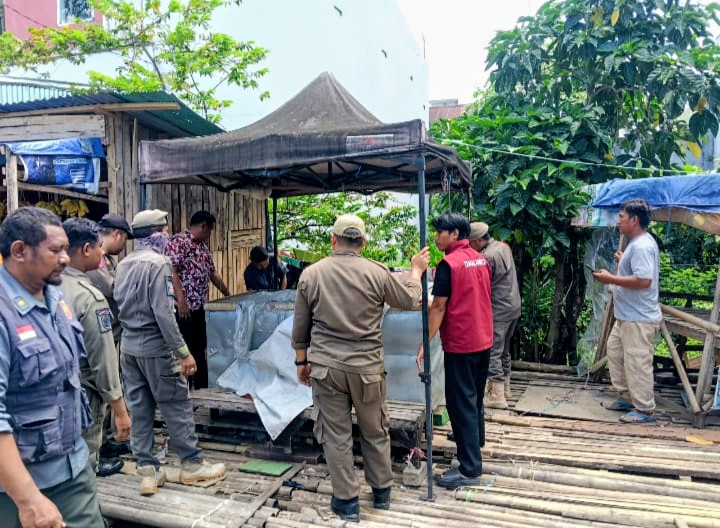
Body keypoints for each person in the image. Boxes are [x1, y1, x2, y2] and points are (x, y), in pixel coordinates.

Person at [292, 214, 429, 522]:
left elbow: (300, 325)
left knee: (335, 434)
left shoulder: (312, 274)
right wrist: (416, 271)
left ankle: (347, 502)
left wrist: (301, 361)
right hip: (367, 369)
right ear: (363, 243)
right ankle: (381, 493)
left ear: (333, 240)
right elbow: (409, 299)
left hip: (326, 368)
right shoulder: (376, 272)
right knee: (375, 429)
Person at [0, 207, 105, 527]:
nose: (65, 258)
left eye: (65, 249)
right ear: (19, 251)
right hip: (17, 489)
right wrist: (28, 500)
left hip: (73, 469)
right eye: (55, 250)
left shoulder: (57, 298)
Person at [115, 209, 226, 496]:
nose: (168, 236)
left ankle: (147, 469)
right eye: (165, 231)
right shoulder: (159, 264)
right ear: (156, 234)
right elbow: (164, 313)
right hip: (156, 347)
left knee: (139, 408)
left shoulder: (123, 264)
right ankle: (192, 464)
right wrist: (182, 351)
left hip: (129, 348)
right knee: (176, 403)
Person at [416, 212, 493, 490]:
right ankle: (475, 444)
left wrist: (425, 343)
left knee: (460, 405)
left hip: (461, 343)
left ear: (456, 234)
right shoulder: (480, 259)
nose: (436, 237)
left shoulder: (448, 264)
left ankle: (470, 469)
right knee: (474, 399)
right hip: (483, 338)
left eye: (441, 232)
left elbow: (439, 307)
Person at [61, 218, 132, 478]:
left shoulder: (45, 286)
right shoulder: (89, 298)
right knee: (84, 462)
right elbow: (103, 361)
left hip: (52, 394)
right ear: (86, 249)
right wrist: (120, 411)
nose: (102, 252)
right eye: (99, 246)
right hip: (84, 393)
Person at [592, 199, 661, 424]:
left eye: (621, 217)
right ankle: (627, 397)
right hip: (626, 316)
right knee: (615, 354)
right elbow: (639, 271)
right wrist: (624, 261)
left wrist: (611, 278)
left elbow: (644, 280)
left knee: (637, 362)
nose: (618, 221)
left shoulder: (642, 246)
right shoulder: (636, 244)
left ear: (634, 220)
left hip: (638, 318)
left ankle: (644, 408)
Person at [166, 211, 230, 390]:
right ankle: (184, 390)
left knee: (200, 348)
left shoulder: (202, 247)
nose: (210, 234)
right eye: (210, 230)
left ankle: (202, 389)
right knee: (184, 349)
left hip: (199, 306)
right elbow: (172, 272)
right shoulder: (179, 242)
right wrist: (181, 301)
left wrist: (228, 294)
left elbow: (212, 273)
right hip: (183, 309)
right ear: (203, 226)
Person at [469, 222, 521, 409]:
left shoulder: (487, 257)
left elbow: (480, 286)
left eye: (471, 243)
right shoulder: (503, 246)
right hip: (513, 306)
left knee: (492, 352)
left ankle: (496, 395)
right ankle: (506, 388)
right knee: (504, 349)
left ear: (478, 240)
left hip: (499, 310)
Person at [86, 213, 134, 345]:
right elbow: (111, 288)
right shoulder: (96, 258)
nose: (123, 245)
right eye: (124, 239)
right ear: (117, 234)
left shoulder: (108, 259)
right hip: (100, 331)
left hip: (110, 329)